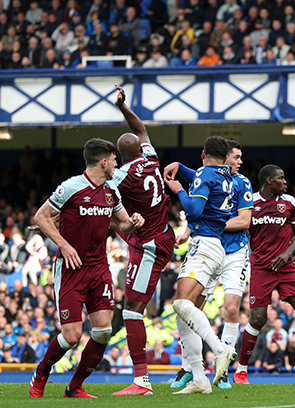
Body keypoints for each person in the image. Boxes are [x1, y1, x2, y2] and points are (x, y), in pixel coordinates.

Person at [30, 138, 145, 398]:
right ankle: (41, 371)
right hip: (71, 268)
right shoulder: (72, 186)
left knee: (103, 331)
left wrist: (133, 221)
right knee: (71, 337)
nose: (117, 163)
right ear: (104, 161)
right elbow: (41, 216)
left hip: (99, 268)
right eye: (115, 159)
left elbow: (122, 224)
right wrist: (65, 245)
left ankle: (75, 386)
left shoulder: (110, 191)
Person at [164, 139, 253, 389]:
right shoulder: (224, 176)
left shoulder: (211, 174)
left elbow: (193, 209)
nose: (239, 162)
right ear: (225, 159)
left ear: (203, 153)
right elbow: (201, 176)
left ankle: (219, 349)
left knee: (181, 304)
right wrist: (181, 167)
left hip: (206, 246)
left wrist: (177, 189)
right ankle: (199, 377)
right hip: (212, 246)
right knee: (185, 312)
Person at [110, 84, 175, 396]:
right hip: (157, 236)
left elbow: (105, 199)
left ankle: (142, 381)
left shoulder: (121, 176)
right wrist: (124, 107)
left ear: (118, 155)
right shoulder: (151, 158)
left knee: (132, 310)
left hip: (149, 245)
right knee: (131, 308)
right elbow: (142, 129)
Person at [233, 164, 295, 386]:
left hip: (286, 266)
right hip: (261, 268)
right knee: (257, 319)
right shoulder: (250, 202)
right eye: (281, 178)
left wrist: (286, 254)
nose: (285, 182)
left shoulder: (289, 202)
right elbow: (240, 228)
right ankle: (241, 371)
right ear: (269, 181)